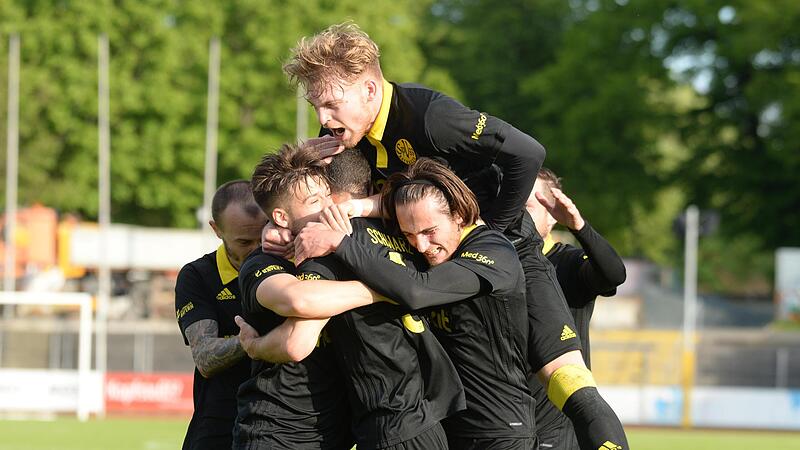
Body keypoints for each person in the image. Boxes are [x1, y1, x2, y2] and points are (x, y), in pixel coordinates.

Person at [280, 23, 628, 450]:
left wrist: (492, 237)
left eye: (332, 104)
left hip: (507, 251)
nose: (322, 119)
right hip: (439, 267)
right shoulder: (349, 138)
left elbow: (527, 152)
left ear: (370, 90)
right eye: (316, 106)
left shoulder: (430, 118)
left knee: (564, 374)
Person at [242, 148, 465, 449]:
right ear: (281, 216)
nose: (328, 205)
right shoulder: (266, 262)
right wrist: (392, 287)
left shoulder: (342, 244)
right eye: (314, 201)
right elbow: (298, 318)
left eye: (327, 195)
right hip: (279, 431)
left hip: (380, 423)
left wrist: (255, 346)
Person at [526, 168, 627, 450]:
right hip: (504, 421)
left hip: (559, 425)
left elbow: (613, 274)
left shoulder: (568, 262)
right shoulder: (491, 263)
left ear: (551, 216)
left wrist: (579, 226)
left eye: (528, 207)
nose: (517, 216)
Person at [174, 180, 265, 450]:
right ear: (216, 230)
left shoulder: (290, 265)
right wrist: (250, 340)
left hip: (280, 422)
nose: (257, 248)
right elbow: (204, 357)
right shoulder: (198, 275)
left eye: (262, 236)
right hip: (219, 422)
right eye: (244, 241)